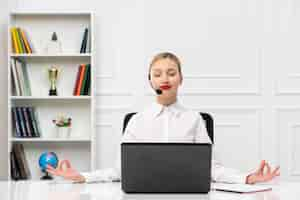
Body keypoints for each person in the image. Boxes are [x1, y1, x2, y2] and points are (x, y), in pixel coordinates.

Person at [47, 52, 280, 184]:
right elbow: (121, 171)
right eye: (157, 74)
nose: (164, 78)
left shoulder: (195, 119)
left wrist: (248, 178)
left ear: (181, 79)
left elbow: (212, 170)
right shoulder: (136, 121)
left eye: (171, 72)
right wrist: (82, 176)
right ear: (150, 81)